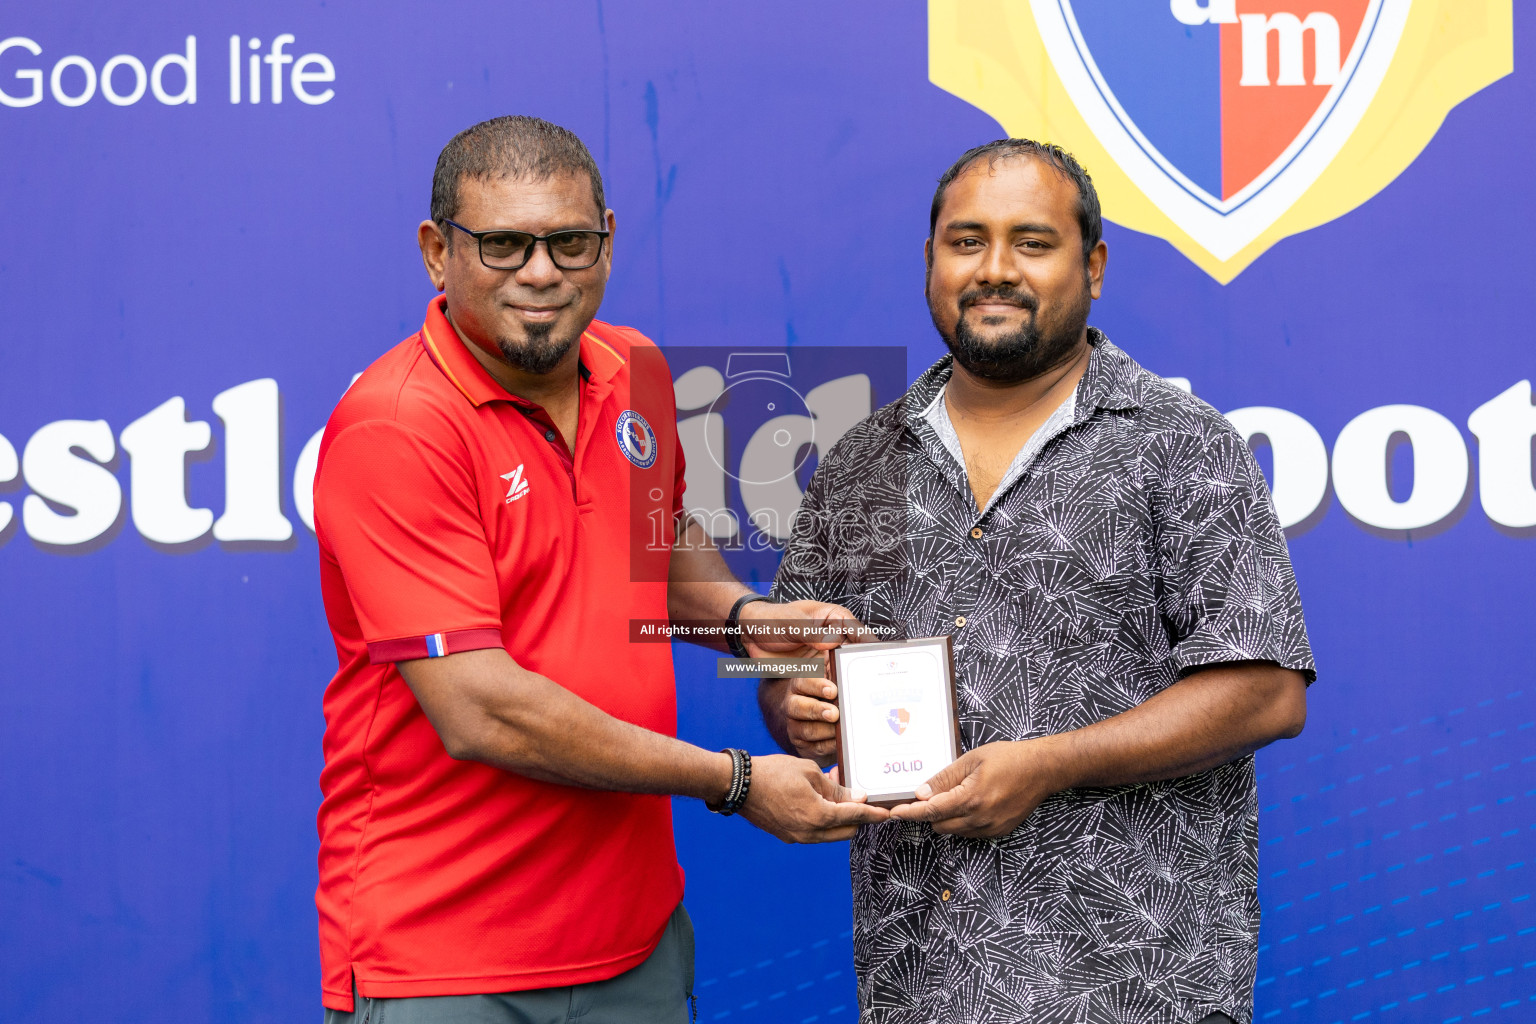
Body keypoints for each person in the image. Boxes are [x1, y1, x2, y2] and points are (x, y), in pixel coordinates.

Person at [312, 115, 885, 1024]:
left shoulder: (636, 368)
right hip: (448, 959)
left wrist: (745, 622)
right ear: (436, 252)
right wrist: (734, 781)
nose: (540, 273)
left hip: (634, 940)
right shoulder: (396, 426)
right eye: (502, 245)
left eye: (569, 242)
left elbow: (650, 555)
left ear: (607, 242)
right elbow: (480, 709)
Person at [760, 139, 1315, 1024]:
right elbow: (792, 668)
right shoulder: (862, 459)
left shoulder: (1179, 441)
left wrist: (1047, 767)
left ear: (1092, 266)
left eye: (1032, 242)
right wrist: (795, 706)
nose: (995, 270)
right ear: (933, 261)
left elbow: (1268, 692)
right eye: (966, 241)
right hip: (921, 987)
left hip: (1133, 990)